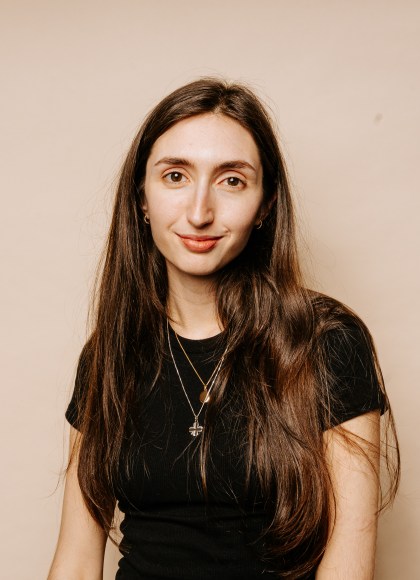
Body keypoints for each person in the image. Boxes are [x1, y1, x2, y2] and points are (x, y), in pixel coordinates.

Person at [48, 78, 399, 580]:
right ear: (141, 198)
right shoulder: (111, 353)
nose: (199, 212)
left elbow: (348, 568)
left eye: (231, 180)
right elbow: (77, 562)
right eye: (175, 176)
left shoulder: (328, 342)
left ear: (265, 205)